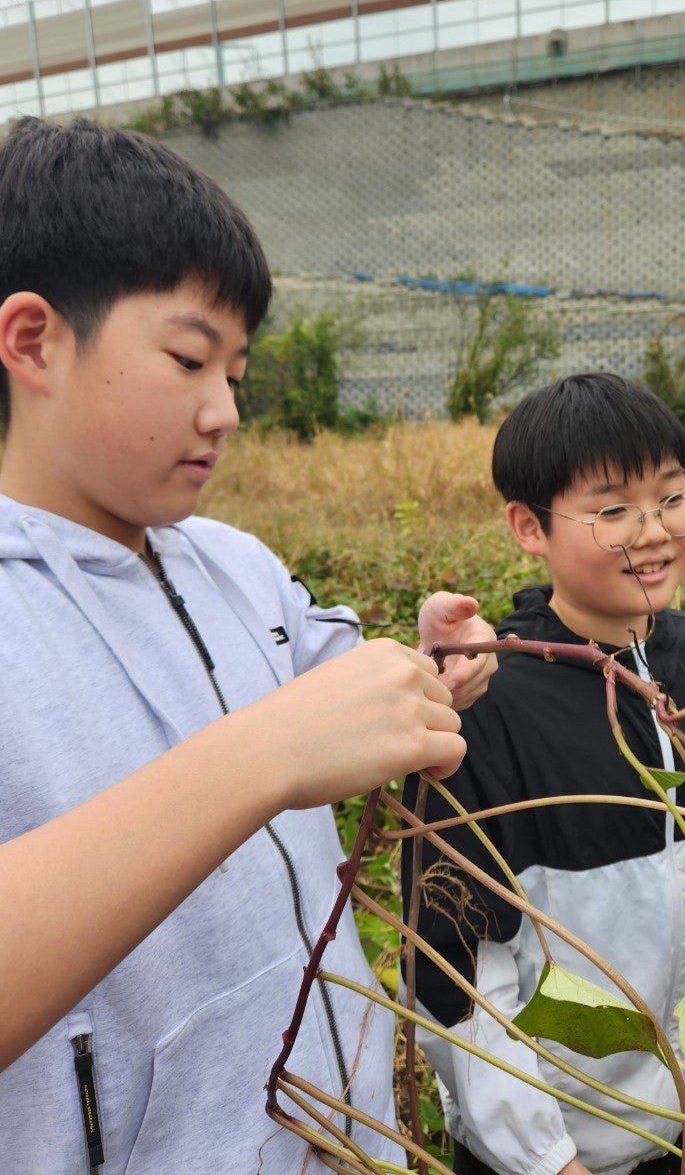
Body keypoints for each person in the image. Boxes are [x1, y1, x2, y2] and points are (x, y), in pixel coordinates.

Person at [0, 115, 496, 1172]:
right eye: (189, 358)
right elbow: (280, 743)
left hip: (337, 1130)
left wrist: (417, 669)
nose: (225, 409)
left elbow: (318, 712)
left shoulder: (229, 560)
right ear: (34, 339)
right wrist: (263, 753)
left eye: (236, 369)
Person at [401, 372, 685, 1175]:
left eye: (671, 497)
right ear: (528, 527)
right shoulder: (490, 707)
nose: (654, 530)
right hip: (552, 1151)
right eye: (612, 510)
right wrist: (544, 1159)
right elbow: (457, 969)